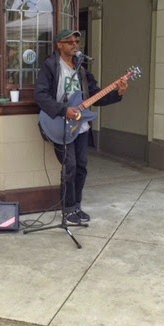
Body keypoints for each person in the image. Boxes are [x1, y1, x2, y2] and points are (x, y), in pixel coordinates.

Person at [35, 29, 129, 225]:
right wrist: (63, 110)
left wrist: (118, 92)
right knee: (69, 166)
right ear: (59, 44)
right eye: (69, 42)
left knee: (81, 167)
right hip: (59, 124)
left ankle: (76, 206)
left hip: (81, 126)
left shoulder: (82, 69)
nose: (75, 44)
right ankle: (67, 209)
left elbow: (96, 95)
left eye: (77, 41)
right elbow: (41, 96)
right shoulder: (50, 65)